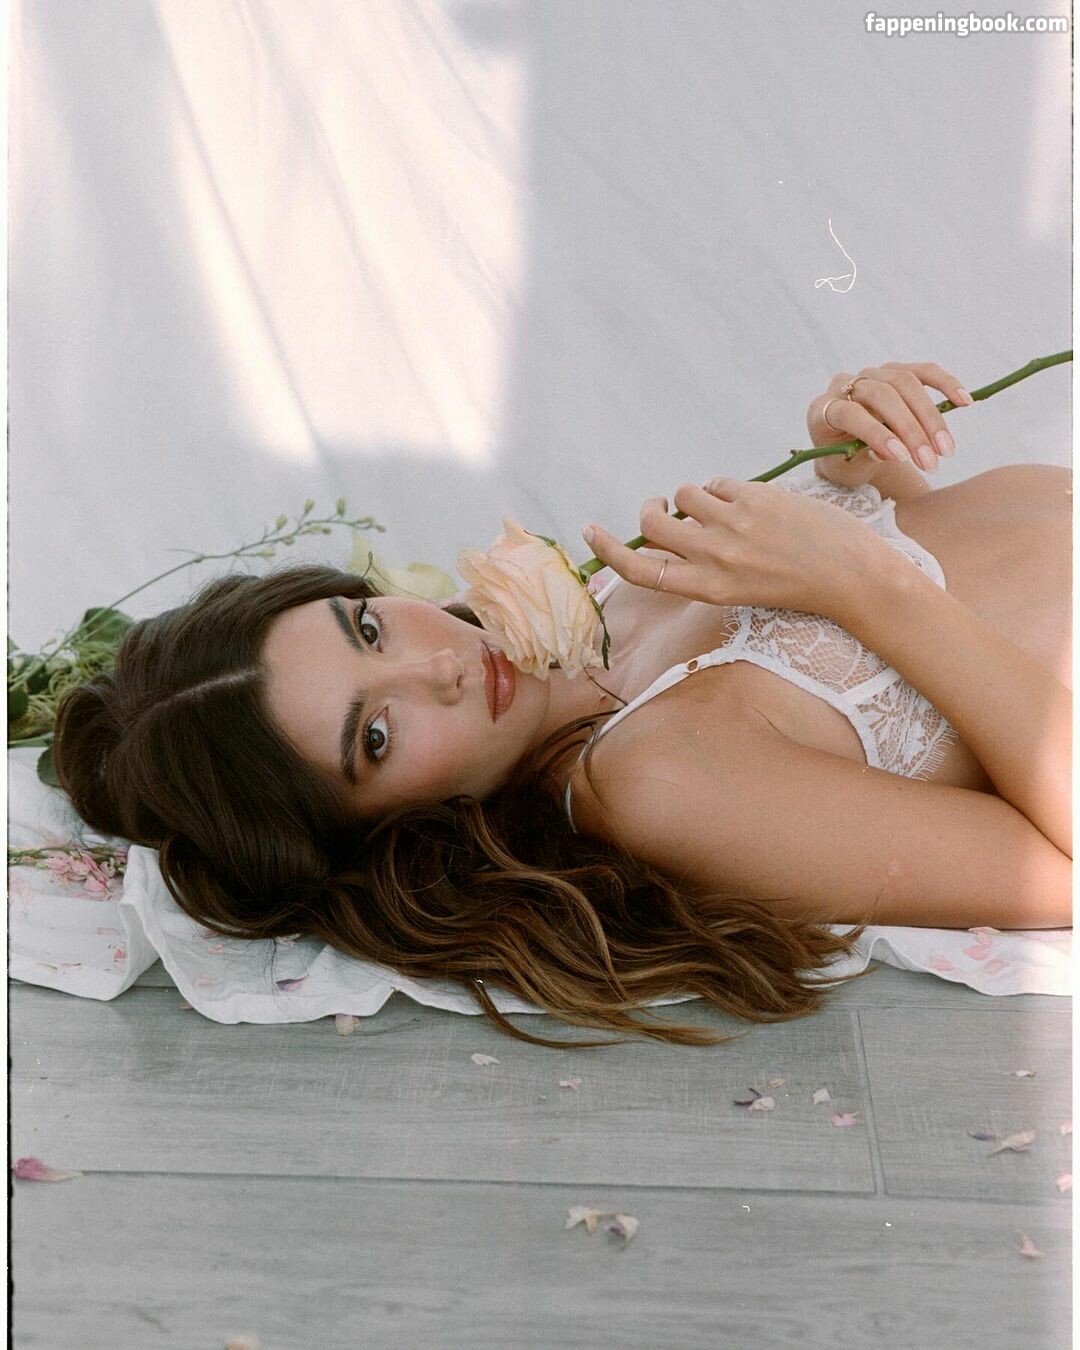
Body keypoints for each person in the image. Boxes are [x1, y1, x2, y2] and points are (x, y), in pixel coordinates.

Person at [53, 361, 1072, 1048]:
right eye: (377, 734)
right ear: (381, 830)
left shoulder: (612, 596)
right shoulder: (657, 782)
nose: (438, 666)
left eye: (367, 627)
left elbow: (961, 602)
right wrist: (859, 584)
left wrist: (860, 460)